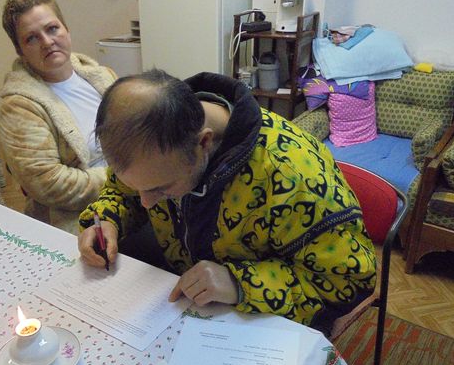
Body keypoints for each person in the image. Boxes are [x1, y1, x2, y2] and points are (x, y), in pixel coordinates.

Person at [78, 70, 376, 333]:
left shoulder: (292, 175)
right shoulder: (156, 145)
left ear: (203, 143)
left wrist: (240, 283)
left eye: (162, 189)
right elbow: (123, 191)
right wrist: (108, 218)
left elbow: (348, 283)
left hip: (266, 318)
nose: (145, 202)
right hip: (191, 297)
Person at [0, 0, 116, 234]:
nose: (47, 42)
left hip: (134, 193)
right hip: (78, 216)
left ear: (66, 29)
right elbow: (49, 184)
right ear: (20, 50)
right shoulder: (19, 107)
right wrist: (124, 178)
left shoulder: (102, 76)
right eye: (31, 38)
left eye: (52, 29)